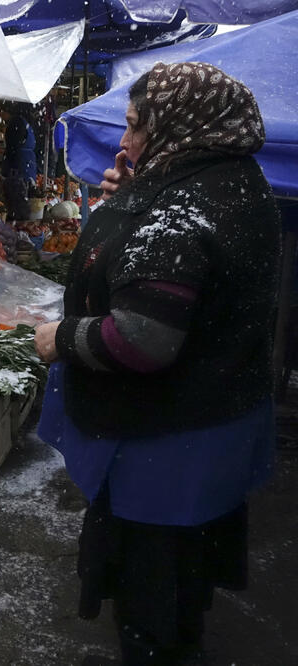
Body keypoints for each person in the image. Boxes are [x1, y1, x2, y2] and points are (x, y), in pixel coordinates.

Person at [33, 62, 279, 665]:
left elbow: (140, 341)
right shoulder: (236, 179)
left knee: (153, 591)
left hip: (165, 441)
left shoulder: (182, 210)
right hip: (218, 417)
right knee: (183, 572)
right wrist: (134, 201)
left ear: (182, 126)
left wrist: (60, 338)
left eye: (137, 126)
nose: (124, 141)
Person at [2, 102, 38, 220]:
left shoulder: (16, 122)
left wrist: (9, 166)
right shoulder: (27, 122)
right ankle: (23, 219)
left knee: (16, 195)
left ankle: (18, 220)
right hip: (27, 162)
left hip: (20, 163)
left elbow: (12, 146)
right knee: (24, 192)